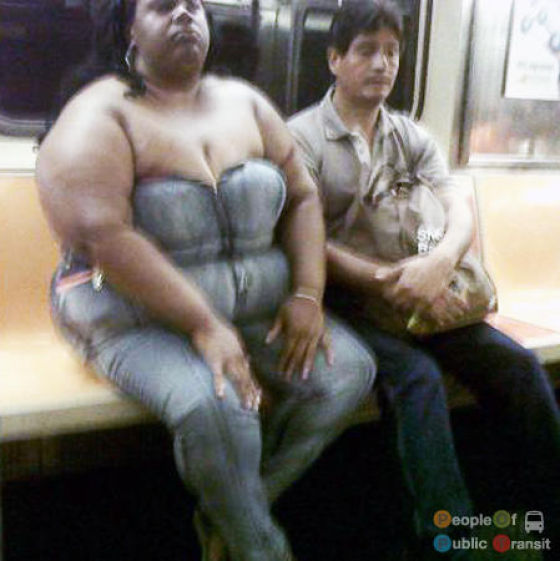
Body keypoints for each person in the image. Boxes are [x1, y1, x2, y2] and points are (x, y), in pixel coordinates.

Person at [36, 1, 377, 560]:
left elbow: (301, 197)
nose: (184, 15)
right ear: (128, 27)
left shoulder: (244, 102)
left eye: (193, 4)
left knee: (347, 373)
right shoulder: (101, 113)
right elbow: (102, 235)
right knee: (219, 406)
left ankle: (234, 513)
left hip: (247, 310)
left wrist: (307, 294)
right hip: (131, 317)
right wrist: (203, 324)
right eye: (162, 6)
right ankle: (259, 547)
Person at [288, 1, 560, 559]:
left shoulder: (409, 136)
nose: (382, 64)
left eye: (392, 52)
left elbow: (457, 208)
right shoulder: (302, 139)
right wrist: (391, 281)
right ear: (334, 59)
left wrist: (437, 266)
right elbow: (307, 240)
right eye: (367, 50)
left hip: (422, 291)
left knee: (517, 366)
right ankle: (447, 535)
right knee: (417, 378)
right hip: (346, 301)